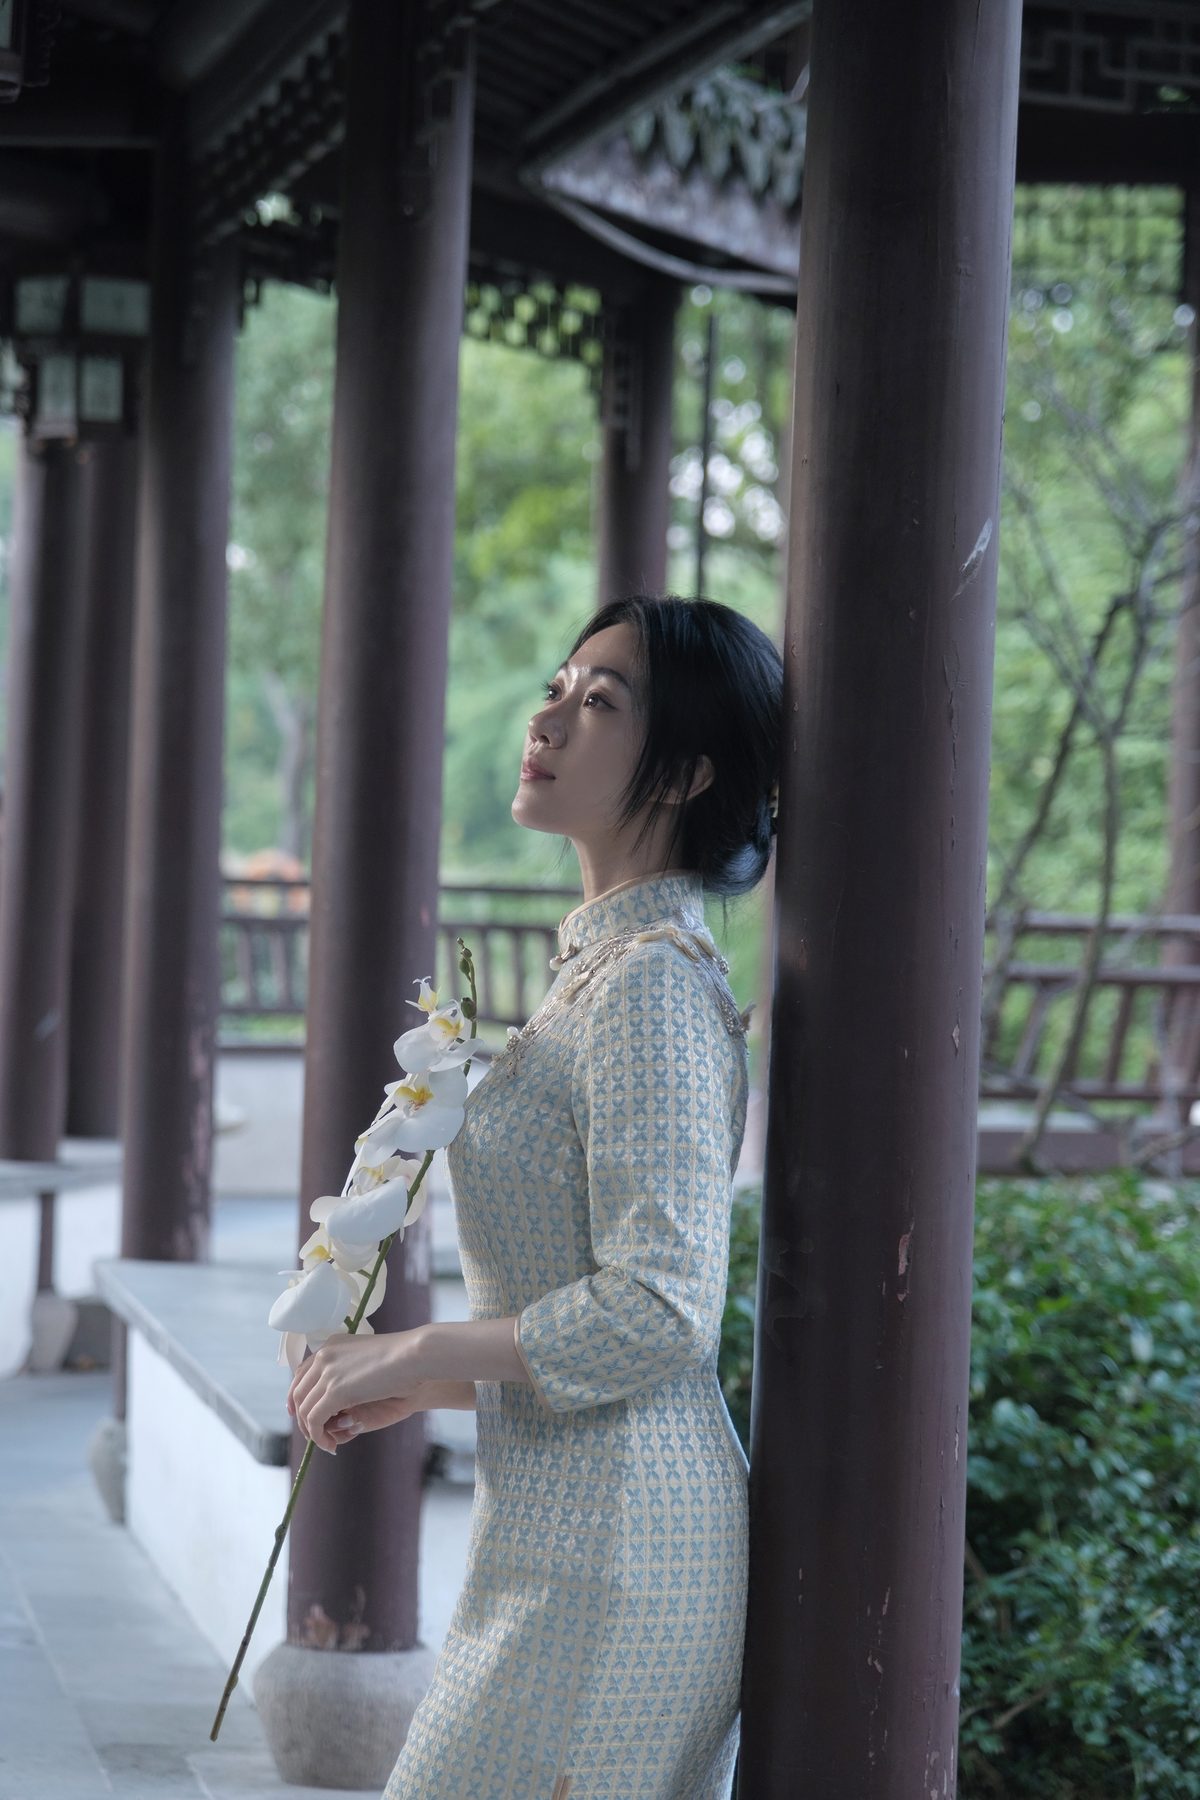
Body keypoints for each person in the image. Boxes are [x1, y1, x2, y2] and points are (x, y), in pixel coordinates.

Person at [287, 593, 783, 1800]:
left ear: (689, 774)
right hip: (564, 1536)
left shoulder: (652, 988)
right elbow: (579, 1308)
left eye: (599, 701)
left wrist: (411, 1346)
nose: (548, 718)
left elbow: (661, 1310)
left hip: (624, 1557)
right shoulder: (601, 971)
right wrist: (420, 1384)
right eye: (556, 687)